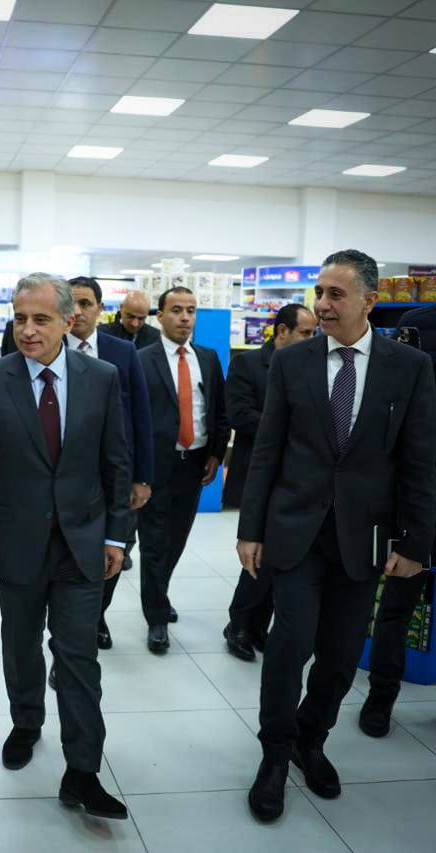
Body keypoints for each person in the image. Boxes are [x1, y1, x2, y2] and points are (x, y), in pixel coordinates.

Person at [237, 249, 436, 823]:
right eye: (319, 293)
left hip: (365, 537)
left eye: (335, 294)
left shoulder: (409, 367)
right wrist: (250, 528)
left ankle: (311, 738)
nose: (322, 305)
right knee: (289, 643)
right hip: (294, 529)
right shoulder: (291, 362)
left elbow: (419, 460)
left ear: (369, 301)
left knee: (343, 652)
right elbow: (267, 450)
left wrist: (415, 544)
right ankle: (275, 754)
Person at [0, 273, 132, 820]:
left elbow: (117, 461)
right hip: (15, 543)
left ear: (69, 321)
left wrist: (116, 534)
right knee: (21, 645)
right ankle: (26, 722)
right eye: (20, 318)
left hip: (82, 542)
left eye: (41, 319)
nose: (27, 330)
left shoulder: (102, 377)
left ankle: (83, 771)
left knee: (78, 657)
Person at [57, 277, 153, 659]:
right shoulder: (46, 346)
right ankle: (68, 631)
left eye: (85, 303)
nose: (77, 312)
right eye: (71, 303)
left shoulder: (122, 352)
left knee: (116, 547)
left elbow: (141, 415)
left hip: (115, 474)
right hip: (64, 475)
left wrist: (142, 477)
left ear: (100, 308)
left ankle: (96, 614)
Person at [223, 303, 317, 662]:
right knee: (258, 554)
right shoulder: (248, 364)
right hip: (259, 474)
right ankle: (239, 624)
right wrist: (286, 427)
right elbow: (239, 414)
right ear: (282, 331)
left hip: (296, 479)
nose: (312, 339)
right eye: (305, 333)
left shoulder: (311, 366)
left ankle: (258, 625)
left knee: (279, 557)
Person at [359, 304, 436, 738]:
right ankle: (380, 698)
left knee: (395, 610)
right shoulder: (419, 324)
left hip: (412, 498)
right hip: (412, 503)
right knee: (395, 609)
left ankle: (382, 699)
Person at [138, 287, 229, 653]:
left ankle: (159, 592)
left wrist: (216, 453)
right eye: (176, 310)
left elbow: (218, 410)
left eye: (191, 310)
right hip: (156, 466)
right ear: (160, 316)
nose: (185, 317)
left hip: (193, 464)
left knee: (176, 539)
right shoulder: (141, 359)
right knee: (154, 543)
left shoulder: (207, 358)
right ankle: (156, 617)